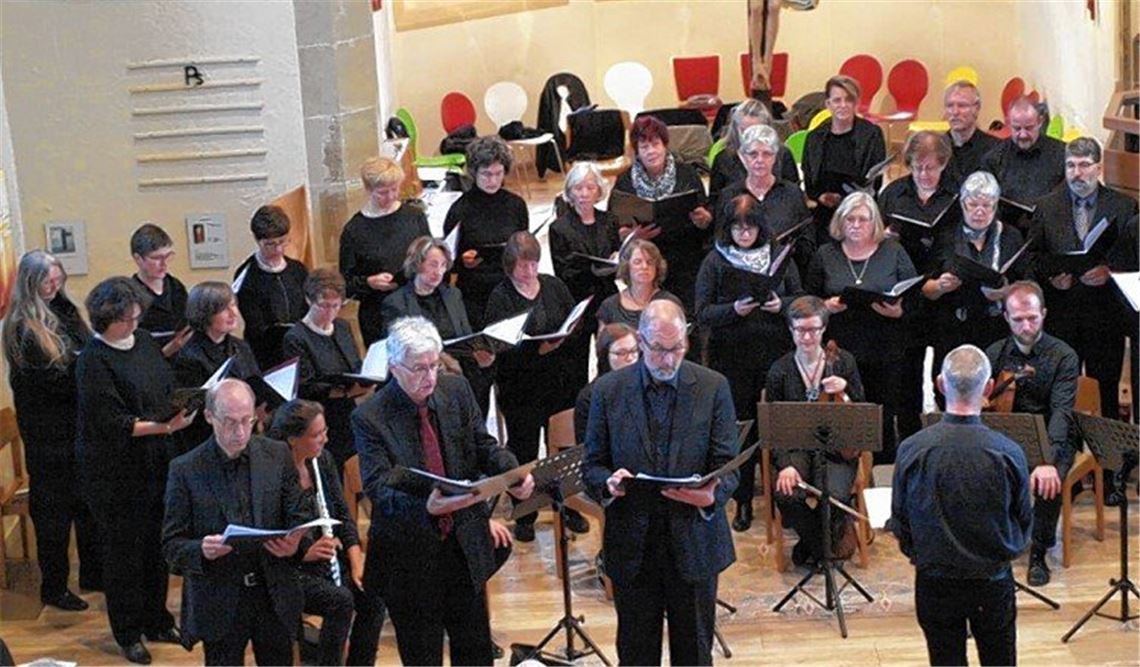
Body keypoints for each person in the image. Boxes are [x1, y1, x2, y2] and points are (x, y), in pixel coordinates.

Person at [352, 316, 534, 666]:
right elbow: (378, 489)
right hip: (409, 558)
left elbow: (484, 445)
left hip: (461, 548)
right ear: (394, 368)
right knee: (423, 656)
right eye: (419, 368)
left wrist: (511, 473)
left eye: (434, 365)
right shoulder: (370, 416)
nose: (430, 377)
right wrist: (426, 508)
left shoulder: (456, 391)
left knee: (476, 652)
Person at [582, 300, 739, 666]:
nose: (669, 360)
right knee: (636, 655)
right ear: (641, 341)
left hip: (694, 541)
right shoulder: (607, 392)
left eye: (677, 349)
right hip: (634, 544)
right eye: (659, 350)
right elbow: (592, 466)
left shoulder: (713, 387)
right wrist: (608, 483)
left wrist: (711, 497)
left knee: (695, 654)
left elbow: (728, 466)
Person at [77, 277, 195, 664]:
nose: (134, 323)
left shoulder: (143, 342)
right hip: (114, 470)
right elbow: (113, 422)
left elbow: (159, 383)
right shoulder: (92, 360)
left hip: (154, 460)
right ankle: (128, 631)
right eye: (126, 318)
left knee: (156, 545)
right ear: (105, 319)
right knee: (124, 554)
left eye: (136, 316)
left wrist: (179, 406)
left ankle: (157, 618)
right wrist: (165, 426)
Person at [891, 345, 1032, 667]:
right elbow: (1023, 520)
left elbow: (901, 521)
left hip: (934, 579)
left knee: (945, 660)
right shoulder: (1008, 451)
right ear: (987, 388)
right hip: (991, 579)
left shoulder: (913, 448)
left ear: (941, 384)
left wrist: (922, 555)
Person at [162, 379, 307, 665]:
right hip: (220, 600)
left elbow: (298, 514)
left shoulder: (276, 455)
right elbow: (171, 546)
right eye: (229, 422)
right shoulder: (185, 470)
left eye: (247, 421)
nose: (240, 432)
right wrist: (200, 549)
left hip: (272, 594)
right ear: (208, 416)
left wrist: (296, 543)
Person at [1, 250, 100, 610]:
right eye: (47, 282)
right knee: (54, 516)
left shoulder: (65, 309)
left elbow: (86, 349)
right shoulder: (22, 327)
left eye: (58, 280)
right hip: (48, 438)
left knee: (86, 504)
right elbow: (55, 379)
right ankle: (54, 587)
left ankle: (93, 572)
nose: (55, 287)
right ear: (30, 284)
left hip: (73, 429)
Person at [697, 193, 801, 531]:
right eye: (738, 228)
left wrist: (780, 305)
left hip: (774, 351)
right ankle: (742, 499)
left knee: (777, 422)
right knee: (741, 426)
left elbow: (799, 299)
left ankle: (783, 496)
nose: (744, 234)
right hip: (733, 355)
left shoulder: (779, 256)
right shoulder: (715, 260)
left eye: (750, 227)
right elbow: (702, 313)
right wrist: (733, 310)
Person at [805, 192, 917, 463]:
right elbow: (808, 299)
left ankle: (881, 475)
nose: (856, 225)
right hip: (840, 350)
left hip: (885, 349)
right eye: (850, 219)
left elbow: (915, 297)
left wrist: (900, 310)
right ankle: (844, 477)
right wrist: (826, 307)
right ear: (840, 222)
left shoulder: (893, 251)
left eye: (863, 220)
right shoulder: (826, 254)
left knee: (881, 416)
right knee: (844, 417)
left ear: (874, 223)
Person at [1031, 137, 1138, 420]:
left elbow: (1132, 261)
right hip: (1062, 314)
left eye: (1084, 165)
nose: (1076, 173)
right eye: (1070, 165)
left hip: (1105, 317)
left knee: (1106, 390)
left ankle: (1113, 459)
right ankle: (1067, 451)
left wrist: (1109, 272)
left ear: (1098, 168)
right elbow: (1033, 257)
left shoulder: (1124, 206)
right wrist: (1052, 277)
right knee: (1062, 390)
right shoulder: (1046, 206)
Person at [484, 231, 582, 541]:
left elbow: (573, 324)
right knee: (523, 446)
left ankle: (567, 503)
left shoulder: (553, 286)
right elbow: (498, 345)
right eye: (522, 266)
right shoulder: (500, 296)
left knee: (563, 445)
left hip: (559, 381)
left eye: (533, 264)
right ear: (509, 266)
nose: (529, 272)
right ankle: (524, 511)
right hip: (521, 386)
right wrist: (535, 351)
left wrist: (561, 340)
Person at [269, 399, 380, 667]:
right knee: (340, 601)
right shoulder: (272, 471)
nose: (325, 439)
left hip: (328, 559)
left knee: (374, 593)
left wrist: (356, 560)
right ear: (293, 439)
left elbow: (343, 515)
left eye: (325, 431)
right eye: (317, 435)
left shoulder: (323, 461)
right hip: (290, 568)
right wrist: (304, 552)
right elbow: (270, 530)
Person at [985, 281, 1079, 587]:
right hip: (1007, 433)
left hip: (1054, 433)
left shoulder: (1063, 355)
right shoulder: (996, 352)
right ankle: (994, 542)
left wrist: (1045, 458)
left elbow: (1062, 412)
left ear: (1044, 314)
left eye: (1033, 318)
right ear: (1006, 318)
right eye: (1018, 319)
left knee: (1049, 481)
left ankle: (1039, 551)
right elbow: (982, 402)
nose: (1026, 326)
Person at [766, 296, 865, 565]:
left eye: (813, 329)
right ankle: (823, 548)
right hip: (795, 448)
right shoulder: (780, 370)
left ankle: (810, 547)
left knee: (834, 495)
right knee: (787, 494)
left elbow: (861, 412)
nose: (807, 337)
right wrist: (785, 464)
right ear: (791, 329)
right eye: (800, 330)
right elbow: (774, 427)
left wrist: (846, 387)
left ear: (823, 329)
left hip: (836, 449)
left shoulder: (844, 362)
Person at [923, 172, 1028, 378]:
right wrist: (940, 286)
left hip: (996, 327)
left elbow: (1026, 284)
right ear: (962, 204)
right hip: (954, 326)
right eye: (973, 205)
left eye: (987, 206)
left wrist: (1004, 292)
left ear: (996, 206)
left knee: (995, 391)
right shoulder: (946, 235)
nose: (979, 212)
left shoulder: (1010, 236)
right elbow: (925, 288)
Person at [610, 115, 712, 317]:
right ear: (637, 151)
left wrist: (703, 219)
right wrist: (631, 236)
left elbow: (706, 215)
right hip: (645, 255)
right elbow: (614, 225)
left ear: (665, 145)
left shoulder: (687, 174)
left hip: (684, 253)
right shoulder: (625, 182)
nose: (651, 151)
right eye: (644, 146)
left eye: (655, 144)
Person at [382, 236, 495, 414]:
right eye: (433, 264)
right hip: (421, 379)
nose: (439, 272)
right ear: (417, 264)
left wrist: (479, 354)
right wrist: (443, 360)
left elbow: (466, 336)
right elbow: (400, 354)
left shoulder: (453, 295)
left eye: (443, 265)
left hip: (459, 374)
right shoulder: (396, 303)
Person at [283, 269, 368, 473]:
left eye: (336, 306)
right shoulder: (296, 337)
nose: (330, 312)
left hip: (347, 414)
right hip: (318, 420)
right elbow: (306, 386)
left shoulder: (342, 327)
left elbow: (354, 364)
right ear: (308, 300)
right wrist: (345, 391)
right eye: (323, 306)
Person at [340, 157, 431, 346]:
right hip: (378, 312)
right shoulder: (354, 230)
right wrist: (369, 282)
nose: (390, 197)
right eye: (382, 192)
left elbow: (429, 254)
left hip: (417, 303)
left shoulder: (414, 217)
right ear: (368, 190)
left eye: (395, 189)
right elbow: (346, 282)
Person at [443, 136, 530, 329]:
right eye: (486, 174)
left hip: (510, 286)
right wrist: (462, 261)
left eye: (498, 173)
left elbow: (524, 247)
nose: (493, 180)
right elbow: (447, 260)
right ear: (474, 173)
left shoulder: (516, 205)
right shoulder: (460, 209)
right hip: (476, 290)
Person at [550, 162, 622, 391]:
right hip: (578, 301)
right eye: (578, 188)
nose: (584, 194)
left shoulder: (609, 221)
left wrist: (617, 259)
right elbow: (563, 272)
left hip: (607, 298)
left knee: (611, 358)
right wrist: (593, 270)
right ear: (569, 192)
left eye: (590, 188)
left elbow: (616, 254)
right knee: (575, 366)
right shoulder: (559, 228)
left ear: (599, 191)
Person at [174, 282, 262, 458]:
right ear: (204, 314)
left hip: (245, 431)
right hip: (208, 440)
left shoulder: (240, 346)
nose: (233, 313)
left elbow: (255, 382)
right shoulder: (189, 355)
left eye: (234, 305)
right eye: (223, 308)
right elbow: (194, 407)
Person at [716, 123, 814, 274]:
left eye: (767, 154)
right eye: (753, 154)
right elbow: (720, 243)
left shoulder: (792, 192)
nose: (760, 160)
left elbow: (808, 240)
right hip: (740, 275)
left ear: (775, 157)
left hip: (786, 272)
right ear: (742, 157)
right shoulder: (728, 195)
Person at [802, 75, 887, 246]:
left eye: (849, 100)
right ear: (828, 104)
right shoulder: (814, 138)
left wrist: (849, 200)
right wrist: (821, 196)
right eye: (837, 100)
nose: (843, 105)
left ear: (856, 103)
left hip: (859, 210)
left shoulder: (871, 134)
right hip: (825, 211)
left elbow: (875, 181)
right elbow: (810, 180)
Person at [233, 205, 309, 370]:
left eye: (283, 242)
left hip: (299, 351)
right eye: (270, 244)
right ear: (257, 240)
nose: (278, 249)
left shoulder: (298, 270)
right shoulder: (246, 275)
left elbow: (306, 308)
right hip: (265, 355)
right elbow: (255, 325)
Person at [982, 96, 1066, 232]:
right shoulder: (994, 158)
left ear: (1040, 122)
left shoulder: (1061, 154)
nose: (1022, 135)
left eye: (1028, 128)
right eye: (1016, 128)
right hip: (1008, 234)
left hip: (1051, 232)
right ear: (1008, 124)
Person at [709, 99, 800, 214]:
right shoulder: (723, 159)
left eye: (756, 131)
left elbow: (794, 198)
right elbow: (716, 204)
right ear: (735, 130)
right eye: (743, 131)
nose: (749, 137)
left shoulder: (783, 154)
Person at [130, 223, 192, 357]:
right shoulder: (129, 295)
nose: (164, 264)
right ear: (138, 259)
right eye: (157, 258)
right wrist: (168, 350)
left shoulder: (176, 287)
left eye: (167, 256)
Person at [595, 238, 683, 330]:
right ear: (627, 267)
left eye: (650, 262)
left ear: (657, 268)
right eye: (637, 262)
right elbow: (603, 342)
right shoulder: (609, 306)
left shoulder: (671, 302)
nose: (644, 267)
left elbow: (680, 341)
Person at [574, 323, 639, 443]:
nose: (630, 358)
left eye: (634, 351)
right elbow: (589, 448)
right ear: (605, 355)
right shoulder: (590, 397)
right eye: (621, 353)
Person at [943, 80, 1000, 181]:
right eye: (950, 105)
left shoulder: (996, 150)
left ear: (977, 108)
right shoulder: (935, 148)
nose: (955, 112)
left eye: (962, 105)